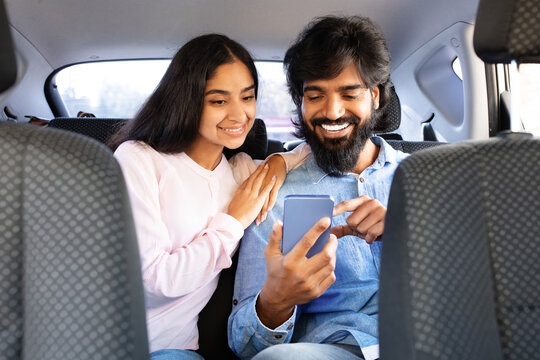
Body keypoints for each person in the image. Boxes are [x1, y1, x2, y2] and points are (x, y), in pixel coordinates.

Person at [110, 34, 309, 360]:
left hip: (173, 350)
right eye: (219, 101)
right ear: (185, 100)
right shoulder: (139, 158)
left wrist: (276, 160)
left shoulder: (242, 172)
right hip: (113, 343)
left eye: (247, 97)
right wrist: (232, 222)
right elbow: (153, 284)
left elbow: (309, 152)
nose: (239, 114)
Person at [228, 16, 408, 360]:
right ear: (302, 102)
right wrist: (275, 301)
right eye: (316, 95)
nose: (332, 111)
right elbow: (242, 344)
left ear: (373, 95)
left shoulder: (425, 180)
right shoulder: (273, 193)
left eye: (349, 93)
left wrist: (406, 235)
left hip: (432, 340)